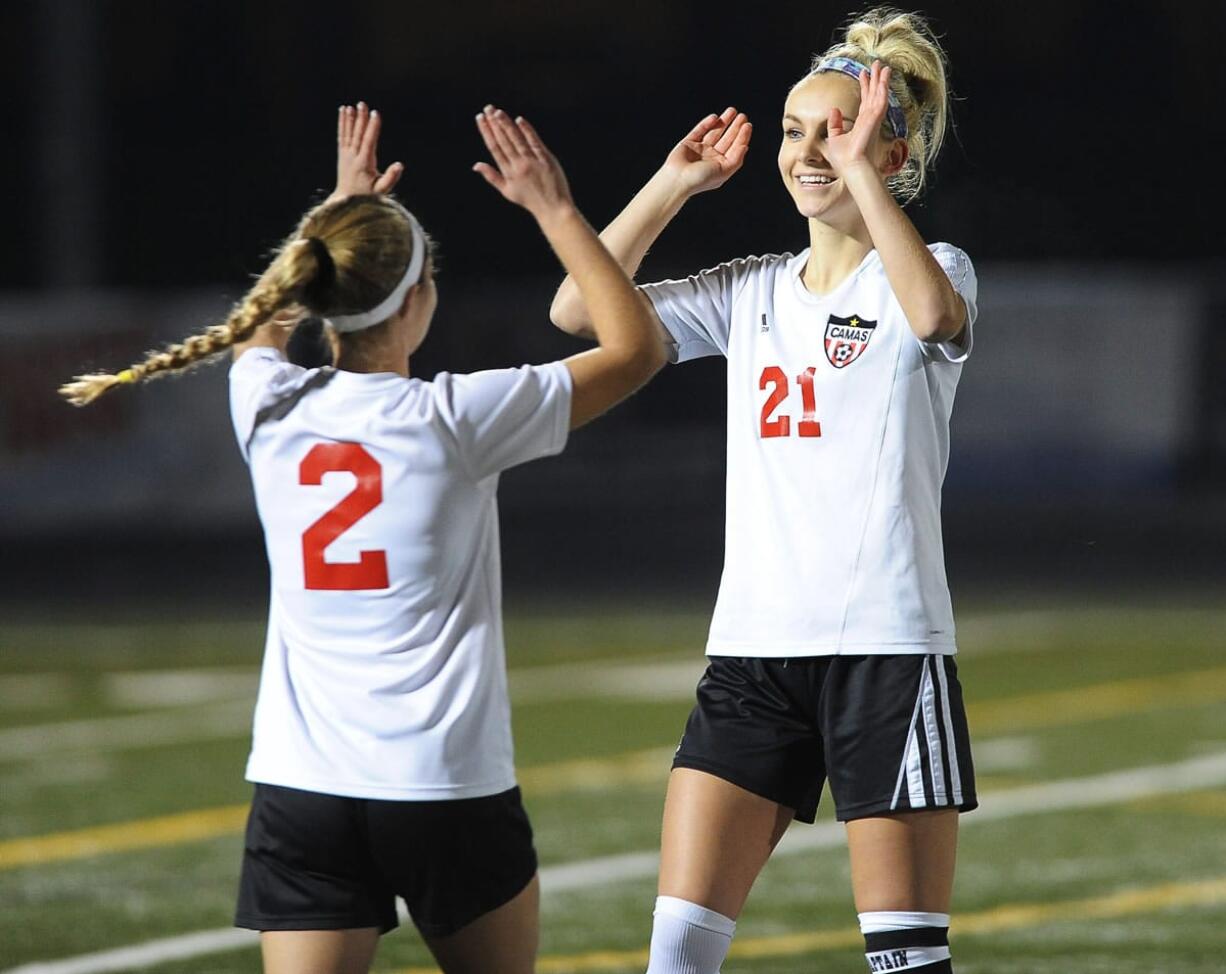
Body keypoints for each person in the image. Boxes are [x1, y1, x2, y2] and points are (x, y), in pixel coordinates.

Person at [62, 102, 665, 974]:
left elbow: (263, 326)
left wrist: (334, 214)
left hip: (302, 789)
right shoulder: (454, 418)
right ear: (419, 301)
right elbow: (635, 347)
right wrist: (554, 209)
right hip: (442, 786)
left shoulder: (267, 404)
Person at [550, 8, 977, 973]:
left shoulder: (935, 270)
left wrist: (863, 173)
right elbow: (581, 309)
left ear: (891, 147)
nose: (808, 152)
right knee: (677, 957)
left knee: (906, 961)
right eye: (796, 131)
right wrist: (675, 183)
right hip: (751, 656)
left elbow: (933, 316)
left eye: (836, 129)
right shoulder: (750, 291)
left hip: (887, 653)